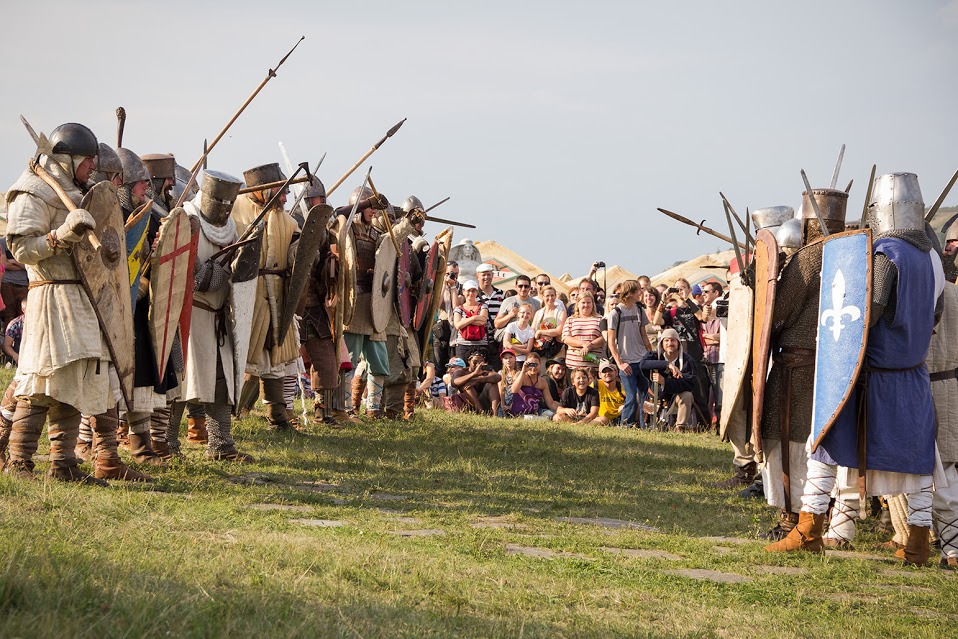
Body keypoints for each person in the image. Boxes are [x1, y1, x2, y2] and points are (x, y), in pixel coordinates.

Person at [767, 174, 943, 566]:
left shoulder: (887, 256)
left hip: (871, 377)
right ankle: (917, 542)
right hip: (911, 374)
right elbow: (932, 313)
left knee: (824, 442)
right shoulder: (927, 257)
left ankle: (809, 529)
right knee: (918, 461)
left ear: (879, 211)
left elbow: (868, 314)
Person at [4, 122, 111, 484]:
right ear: (68, 159)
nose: (93, 167)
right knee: (41, 379)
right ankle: (19, 462)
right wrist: (61, 234)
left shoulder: (79, 192)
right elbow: (20, 248)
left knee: (71, 380)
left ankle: (63, 464)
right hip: (49, 293)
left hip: (81, 295)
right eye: (88, 160)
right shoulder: (33, 190)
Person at [757, 195, 845, 539]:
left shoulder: (807, 258)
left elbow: (776, 314)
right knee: (819, 444)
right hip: (835, 366)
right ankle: (825, 517)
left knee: (789, 439)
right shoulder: (852, 254)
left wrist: (760, 285)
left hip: (798, 367)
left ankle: (791, 518)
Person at [180, 170, 255, 461]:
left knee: (220, 383)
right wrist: (218, 274)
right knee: (182, 383)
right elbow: (188, 272)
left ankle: (221, 445)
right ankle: (167, 445)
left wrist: (238, 266)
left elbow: (237, 268)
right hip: (192, 315)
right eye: (220, 201)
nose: (224, 208)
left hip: (218, 316)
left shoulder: (230, 227)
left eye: (229, 202)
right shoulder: (187, 220)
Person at [231, 163, 302, 430]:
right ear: (263, 191)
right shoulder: (234, 210)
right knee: (241, 355)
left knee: (276, 355)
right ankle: (227, 414)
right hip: (246, 292)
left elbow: (298, 259)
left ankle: (278, 416)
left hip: (277, 294)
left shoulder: (287, 219)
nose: (286, 198)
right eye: (281, 192)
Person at [336, 185, 392, 418]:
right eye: (369, 207)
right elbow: (338, 214)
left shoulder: (377, 234)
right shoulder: (348, 228)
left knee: (378, 359)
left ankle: (373, 408)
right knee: (349, 359)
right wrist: (363, 203)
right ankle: (346, 408)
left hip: (375, 304)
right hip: (354, 301)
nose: (374, 212)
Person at [606, 279, 653, 427]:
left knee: (645, 397)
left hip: (642, 360)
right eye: (638, 290)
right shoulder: (615, 313)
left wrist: (650, 353)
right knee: (631, 397)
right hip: (627, 362)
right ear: (630, 293)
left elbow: (644, 334)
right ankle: (625, 426)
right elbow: (611, 341)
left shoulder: (639, 310)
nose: (641, 292)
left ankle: (643, 426)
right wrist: (619, 363)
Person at [639, 328, 697, 432]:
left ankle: (680, 427)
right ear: (662, 343)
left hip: (676, 398)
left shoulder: (687, 361)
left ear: (678, 343)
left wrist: (664, 382)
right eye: (666, 340)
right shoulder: (654, 356)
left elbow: (689, 383)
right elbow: (643, 364)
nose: (670, 343)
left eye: (673, 340)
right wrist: (667, 365)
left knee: (687, 395)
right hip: (657, 399)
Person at [700, 281, 724, 427]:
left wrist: (706, 337)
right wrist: (710, 337)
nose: (704, 294)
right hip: (705, 359)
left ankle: (720, 426)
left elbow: (722, 337)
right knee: (705, 396)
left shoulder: (722, 311)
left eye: (707, 291)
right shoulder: (703, 312)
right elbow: (701, 336)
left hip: (717, 359)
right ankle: (706, 424)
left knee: (718, 395)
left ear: (716, 293)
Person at [561, 293, 604, 372]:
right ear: (578, 304)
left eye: (588, 302)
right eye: (583, 303)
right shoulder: (570, 319)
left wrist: (589, 346)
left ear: (593, 304)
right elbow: (566, 338)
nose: (586, 305)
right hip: (573, 366)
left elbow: (604, 338)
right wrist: (583, 344)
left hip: (594, 366)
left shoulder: (600, 319)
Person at [449, 351, 501, 415]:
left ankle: (495, 415)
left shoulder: (485, 370)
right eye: (475, 361)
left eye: (480, 362)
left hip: (484, 401)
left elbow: (498, 377)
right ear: (469, 361)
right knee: (467, 386)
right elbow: (454, 382)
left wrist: (478, 379)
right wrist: (474, 374)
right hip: (468, 404)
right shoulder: (462, 371)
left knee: (492, 384)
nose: (478, 364)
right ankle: (482, 413)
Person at [509, 352, 558, 418]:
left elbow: (551, 403)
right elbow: (514, 390)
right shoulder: (520, 375)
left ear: (540, 365)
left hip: (536, 413)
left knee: (553, 415)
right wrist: (523, 371)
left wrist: (563, 409)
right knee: (532, 418)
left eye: (535, 364)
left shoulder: (542, 382)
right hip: (520, 415)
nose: (533, 368)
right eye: (530, 364)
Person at [476, 263, 504, 368]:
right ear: (477, 276)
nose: (486, 277)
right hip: (479, 340)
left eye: (489, 274)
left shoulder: (501, 294)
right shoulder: (473, 294)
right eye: (483, 275)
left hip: (496, 341)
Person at [453, 280, 489, 360]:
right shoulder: (459, 309)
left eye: (473, 291)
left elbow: (483, 321)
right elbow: (458, 325)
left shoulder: (483, 306)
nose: (471, 293)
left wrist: (465, 321)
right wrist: (475, 317)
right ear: (463, 292)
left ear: (477, 292)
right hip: (463, 344)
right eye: (468, 291)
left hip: (481, 344)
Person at [530, 285, 566, 361]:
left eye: (552, 295)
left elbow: (559, 331)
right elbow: (532, 331)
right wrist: (542, 335)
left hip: (556, 350)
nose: (550, 298)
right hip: (540, 350)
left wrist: (540, 332)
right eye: (547, 296)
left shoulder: (561, 312)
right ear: (542, 297)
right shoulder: (538, 313)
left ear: (555, 296)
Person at [594, 359, 625, 426]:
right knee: (603, 419)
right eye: (604, 371)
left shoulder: (623, 388)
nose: (607, 373)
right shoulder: (595, 385)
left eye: (610, 370)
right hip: (599, 419)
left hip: (618, 420)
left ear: (616, 372)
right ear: (599, 374)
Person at [2, 299, 25, 365]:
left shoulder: (41, 322)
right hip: (20, 353)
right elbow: (6, 345)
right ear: (23, 310)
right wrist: (15, 355)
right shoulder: (15, 324)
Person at [498, 349, 518, 414]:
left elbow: (519, 392)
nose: (508, 360)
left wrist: (511, 406)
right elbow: (501, 391)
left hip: (516, 402)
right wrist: (503, 404)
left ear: (515, 358)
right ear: (502, 361)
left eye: (510, 357)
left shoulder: (519, 373)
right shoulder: (500, 373)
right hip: (504, 402)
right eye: (505, 358)